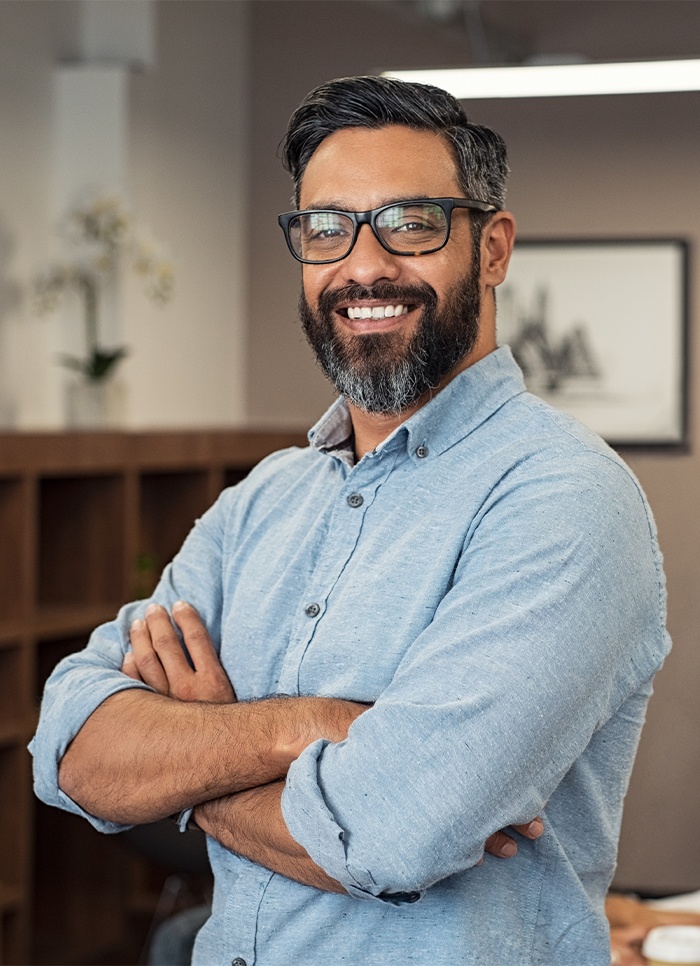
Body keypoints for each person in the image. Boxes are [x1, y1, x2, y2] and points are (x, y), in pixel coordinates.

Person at [31, 75, 671, 965]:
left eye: (411, 223)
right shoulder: (261, 502)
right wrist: (314, 725)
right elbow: (70, 750)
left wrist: (189, 757)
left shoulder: (563, 500)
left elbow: (389, 836)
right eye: (327, 228)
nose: (363, 266)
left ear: (492, 248)